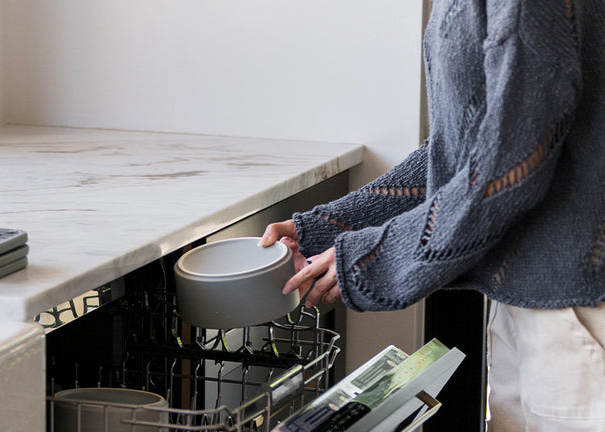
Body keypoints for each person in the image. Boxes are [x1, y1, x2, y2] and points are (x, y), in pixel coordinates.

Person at [259, 1, 605, 430]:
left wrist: (375, 258)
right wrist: (329, 226)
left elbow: (509, 164)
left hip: (578, 310)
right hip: (530, 299)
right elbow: (461, 148)